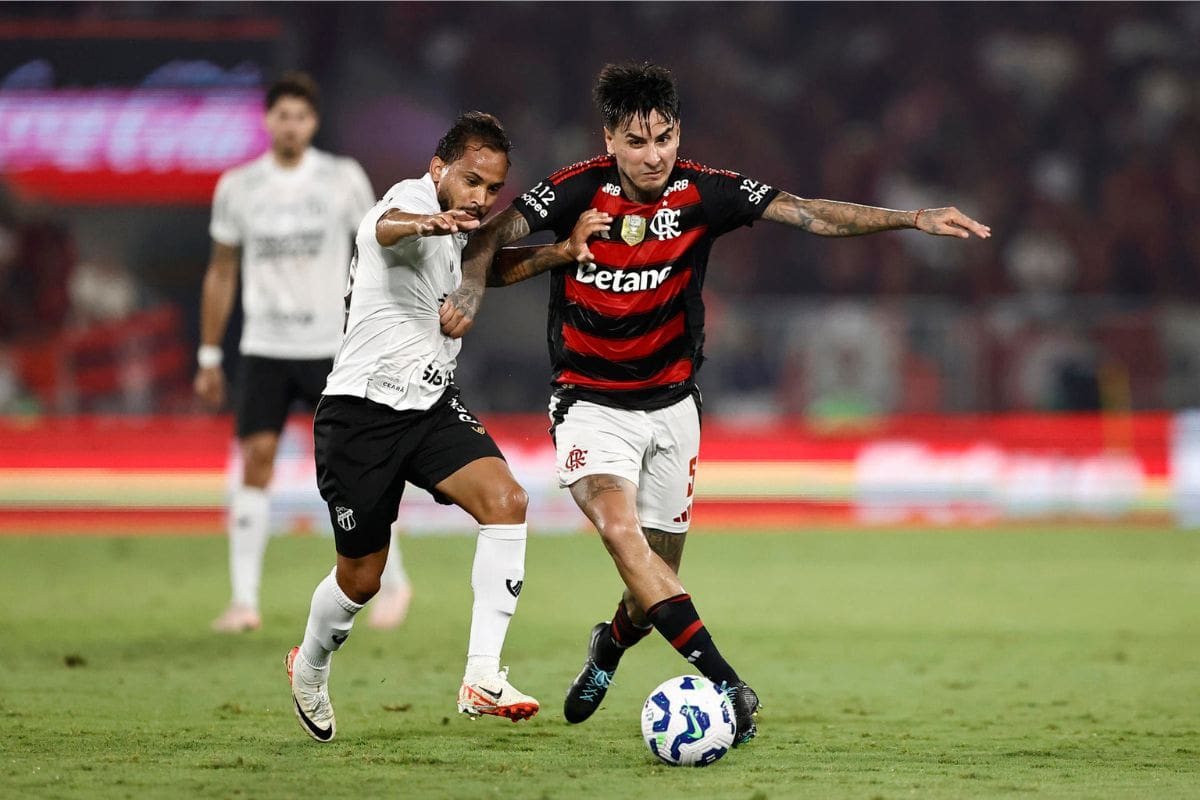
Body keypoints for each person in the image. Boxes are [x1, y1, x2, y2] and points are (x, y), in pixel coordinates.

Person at [439, 61, 992, 747]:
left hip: (673, 407)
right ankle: (729, 682)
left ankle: (608, 648)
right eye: (637, 142)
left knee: (656, 576)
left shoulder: (706, 192)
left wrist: (911, 218)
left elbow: (810, 213)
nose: (654, 154)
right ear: (609, 139)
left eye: (665, 137)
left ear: (679, 133)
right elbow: (492, 234)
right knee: (621, 534)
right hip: (589, 405)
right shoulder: (577, 187)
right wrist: (469, 286)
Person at [285, 111, 543, 743]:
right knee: (361, 579)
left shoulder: (461, 229)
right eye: (472, 181)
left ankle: (482, 674)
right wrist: (430, 218)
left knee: (507, 502)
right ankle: (310, 664)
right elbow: (382, 229)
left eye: (492, 189)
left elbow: (491, 267)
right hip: (360, 415)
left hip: (427, 408)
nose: (481, 198)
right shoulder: (410, 198)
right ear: (439, 169)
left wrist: (561, 252)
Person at [196, 71, 413, 633]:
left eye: (300, 116)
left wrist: (382, 331)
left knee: (358, 465)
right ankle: (244, 602)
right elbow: (221, 271)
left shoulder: (341, 179)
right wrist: (209, 355)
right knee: (257, 461)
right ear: (268, 121)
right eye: (281, 115)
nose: (290, 125)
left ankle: (395, 582)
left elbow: (375, 252)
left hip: (331, 347)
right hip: (263, 347)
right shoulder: (238, 187)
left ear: (312, 123)